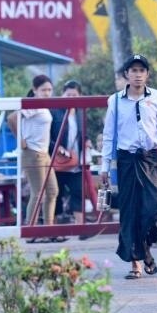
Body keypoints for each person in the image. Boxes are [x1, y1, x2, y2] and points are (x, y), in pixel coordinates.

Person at [100, 54, 157, 279]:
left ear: (147, 74)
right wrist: (104, 167)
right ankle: (137, 263)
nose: (137, 74)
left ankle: (146, 249)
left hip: (150, 160)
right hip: (126, 161)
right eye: (133, 70)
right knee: (130, 213)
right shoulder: (114, 101)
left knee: (152, 209)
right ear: (126, 75)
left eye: (141, 70)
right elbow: (108, 136)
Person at [8, 74, 63, 242]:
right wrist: (21, 139)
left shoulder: (43, 106)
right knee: (38, 193)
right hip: (33, 153)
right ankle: (31, 231)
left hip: (44, 153)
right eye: (43, 90)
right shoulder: (32, 104)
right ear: (35, 90)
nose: (47, 93)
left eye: (49, 90)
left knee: (52, 191)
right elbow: (11, 117)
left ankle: (49, 229)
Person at [49, 80, 93, 224]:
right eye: (68, 94)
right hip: (58, 162)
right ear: (62, 94)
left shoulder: (81, 112)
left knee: (78, 192)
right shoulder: (54, 111)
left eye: (74, 95)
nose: (71, 97)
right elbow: (46, 136)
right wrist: (56, 148)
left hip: (76, 162)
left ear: (80, 95)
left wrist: (87, 140)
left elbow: (82, 133)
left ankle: (81, 226)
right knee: (55, 194)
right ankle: (52, 228)